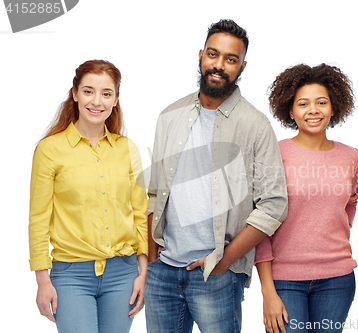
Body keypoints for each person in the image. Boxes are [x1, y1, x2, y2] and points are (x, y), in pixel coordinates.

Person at [144, 19, 288, 333]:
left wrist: (223, 261)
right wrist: (151, 254)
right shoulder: (170, 116)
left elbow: (274, 205)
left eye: (230, 59)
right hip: (162, 272)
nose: (219, 65)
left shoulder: (255, 125)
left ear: (242, 66)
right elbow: (154, 193)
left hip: (217, 276)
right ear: (201, 55)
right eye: (213, 54)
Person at [29, 60, 149, 333]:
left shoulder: (128, 149)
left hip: (123, 274)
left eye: (106, 93)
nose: (97, 101)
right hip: (71, 276)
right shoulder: (49, 150)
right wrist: (42, 280)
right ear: (74, 93)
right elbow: (38, 219)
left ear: (116, 99)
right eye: (88, 91)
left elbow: (141, 214)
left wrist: (143, 274)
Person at [254, 63, 358, 333]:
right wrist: (267, 290)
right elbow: (259, 223)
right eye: (303, 104)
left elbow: (351, 200)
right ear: (290, 110)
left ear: (333, 107)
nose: (313, 110)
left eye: (321, 102)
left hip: (337, 278)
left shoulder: (351, 156)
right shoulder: (274, 154)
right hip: (284, 280)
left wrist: (330, 229)